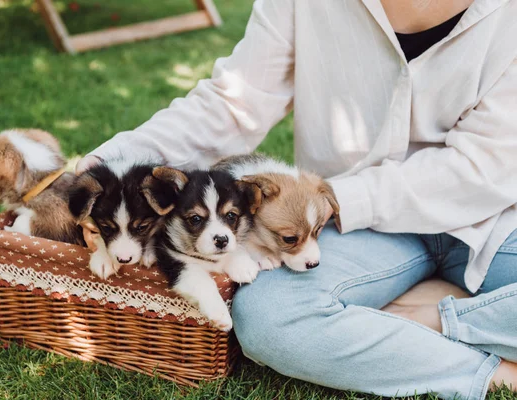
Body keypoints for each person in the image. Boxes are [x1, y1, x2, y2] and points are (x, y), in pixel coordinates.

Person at [76, 0, 517, 397]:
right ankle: (496, 375)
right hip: (349, 230)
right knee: (273, 318)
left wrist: (337, 195)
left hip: (487, 219)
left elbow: (486, 165)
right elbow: (235, 104)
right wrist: (105, 164)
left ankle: (424, 319)